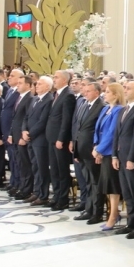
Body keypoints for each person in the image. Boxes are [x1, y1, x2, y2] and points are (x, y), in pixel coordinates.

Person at [113, 80, 134, 238]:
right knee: (127, 193)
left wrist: (132, 158)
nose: (125, 90)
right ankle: (130, 223)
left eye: (128, 88)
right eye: (125, 88)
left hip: (131, 159)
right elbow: (117, 134)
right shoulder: (124, 110)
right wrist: (114, 154)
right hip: (121, 156)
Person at [71, 79, 104, 222]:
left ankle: (97, 212)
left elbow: (100, 130)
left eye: (88, 91)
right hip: (82, 149)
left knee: (95, 182)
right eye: (84, 90)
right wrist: (75, 145)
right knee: (88, 182)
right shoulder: (84, 104)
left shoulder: (101, 106)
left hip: (92, 150)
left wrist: (98, 148)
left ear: (97, 92)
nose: (85, 93)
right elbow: (78, 127)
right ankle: (89, 209)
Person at [93, 82, 125, 230]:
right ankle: (112, 213)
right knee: (106, 185)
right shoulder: (106, 108)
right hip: (102, 150)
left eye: (107, 92)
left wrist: (100, 149)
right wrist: (96, 146)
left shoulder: (119, 110)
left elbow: (112, 133)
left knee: (113, 186)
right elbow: (98, 128)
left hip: (110, 152)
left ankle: (113, 215)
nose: (104, 94)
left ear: (116, 95)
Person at [45, 70, 75, 211]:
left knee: (62, 170)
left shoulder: (68, 95)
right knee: (54, 170)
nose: (54, 79)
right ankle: (56, 196)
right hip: (52, 137)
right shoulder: (56, 94)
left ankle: (63, 199)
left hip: (59, 139)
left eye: (56, 77)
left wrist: (61, 138)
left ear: (64, 80)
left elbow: (66, 120)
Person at [25, 75, 54, 205]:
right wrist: (24, 130)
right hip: (31, 138)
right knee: (35, 167)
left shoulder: (49, 100)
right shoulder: (35, 99)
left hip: (40, 139)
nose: (36, 86)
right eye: (36, 84)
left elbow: (43, 121)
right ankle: (36, 192)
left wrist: (30, 134)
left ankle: (43, 195)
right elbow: (26, 117)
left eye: (40, 84)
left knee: (42, 168)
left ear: (47, 86)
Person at [8, 76, 35, 200]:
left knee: (25, 164)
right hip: (15, 135)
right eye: (17, 83)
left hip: (22, 137)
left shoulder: (30, 98)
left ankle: (27, 189)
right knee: (19, 163)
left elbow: (27, 119)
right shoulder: (19, 97)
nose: (17, 85)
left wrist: (23, 136)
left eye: (20, 83)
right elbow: (15, 118)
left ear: (28, 85)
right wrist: (11, 134)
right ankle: (21, 185)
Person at [0, 70, 25, 193]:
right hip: (6, 130)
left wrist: (11, 132)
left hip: (13, 130)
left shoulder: (20, 94)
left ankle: (18, 183)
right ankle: (13, 181)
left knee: (16, 159)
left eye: (12, 76)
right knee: (11, 158)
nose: (9, 77)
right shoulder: (10, 90)